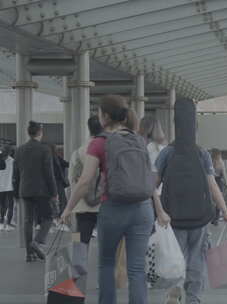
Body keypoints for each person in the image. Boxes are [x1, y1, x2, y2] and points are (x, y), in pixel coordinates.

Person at [60, 95, 170, 304]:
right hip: (143, 209)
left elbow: (84, 181)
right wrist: (160, 210)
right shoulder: (138, 140)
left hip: (114, 208)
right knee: (137, 268)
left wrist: (68, 208)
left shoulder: (99, 143)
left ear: (106, 117)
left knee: (107, 263)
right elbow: (149, 180)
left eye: (100, 113)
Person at [155, 99, 227, 304]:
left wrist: (157, 210)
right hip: (200, 217)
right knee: (198, 258)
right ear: (195, 128)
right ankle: (194, 298)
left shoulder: (167, 152)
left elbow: (152, 185)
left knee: (174, 257)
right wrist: (224, 209)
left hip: (173, 217)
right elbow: (212, 185)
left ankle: (174, 292)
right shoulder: (202, 153)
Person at [13, 121, 57, 262]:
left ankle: (29, 254)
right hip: (42, 191)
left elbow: (16, 174)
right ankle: (37, 242)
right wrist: (54, 192)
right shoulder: (44, 149)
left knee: (28, 221)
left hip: (25, 190)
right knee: (48, 218)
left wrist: (16, 192)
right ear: (40, 133)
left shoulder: (19, 150)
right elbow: (49, 173)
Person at [68, 116, 104, 278]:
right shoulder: (107, 148)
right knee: (106, 244)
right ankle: (104, 278)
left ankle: (76, 274)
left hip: (82, 206)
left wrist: (69, 206)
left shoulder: (78, 151)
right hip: (105, 205)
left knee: (78, 239)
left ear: (88, 129)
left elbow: (72, 180)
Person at [211, 148, 227, 225]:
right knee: (215, 201)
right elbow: (223, 173)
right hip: (214, 180)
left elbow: (224, 172)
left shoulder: (218, 161)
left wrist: (226, 182)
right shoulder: (216, 161)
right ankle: (214, 218)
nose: (219, 156)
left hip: (214, 180)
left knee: (215, 200)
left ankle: (214, 218)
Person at [0, 145, 14, 231]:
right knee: (9, 205)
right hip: (8, 186)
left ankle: (4, 222)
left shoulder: (12, 161)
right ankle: (6, 222)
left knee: (4, 205)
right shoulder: (13, 161)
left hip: (6, 186)